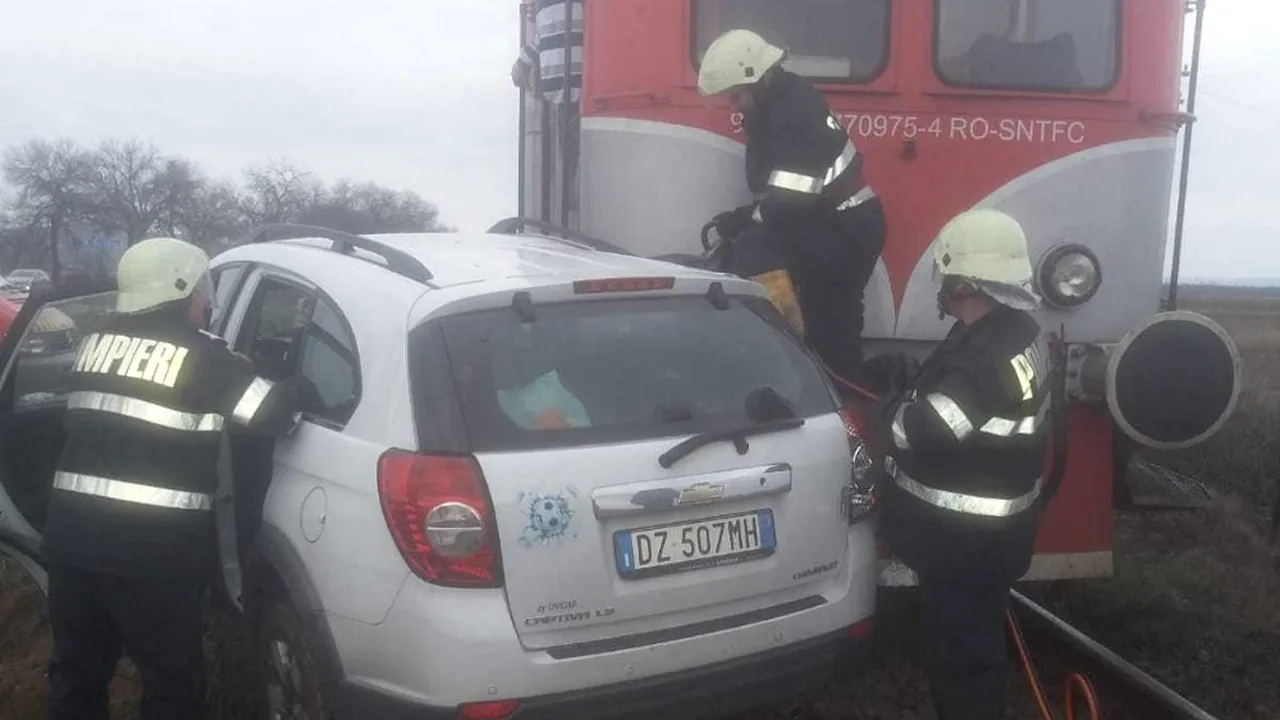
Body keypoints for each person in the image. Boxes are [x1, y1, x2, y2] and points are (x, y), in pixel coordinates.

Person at [41, 236, 297, 720]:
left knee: (76, 674)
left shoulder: (94, 344)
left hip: (71, 549)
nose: (206, 301)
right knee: (171, 684)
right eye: (202, 290)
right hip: (152, 558)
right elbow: (269, 413)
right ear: (184, 291)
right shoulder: (204, 358)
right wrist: (288, 380)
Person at [861, 209, 1054, 720]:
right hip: (995, 539)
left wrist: (884, 410)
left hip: (963, 546)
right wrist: (912, 379)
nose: (942, 287)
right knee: (977, 650)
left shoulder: (984, 357)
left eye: (947, 275)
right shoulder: (1017, 330)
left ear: (968, 280)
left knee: (963, 664)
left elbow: (924, 432)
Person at [696, 28, 886, 387]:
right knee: (823, 323)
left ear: (759, 77)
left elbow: (789, 202)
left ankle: (848, 409)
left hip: (844, 231)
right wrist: (746, 218)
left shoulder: (794, 115)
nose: (732, 107)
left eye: (736, 96)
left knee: (833, 333)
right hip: (829, 225)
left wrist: (743, 220)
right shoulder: (778, 103)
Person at [512, 0, 583, 222]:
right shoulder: (544, 7)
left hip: (580, 98)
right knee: (566, 156)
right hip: (557, 100)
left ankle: (575, 209)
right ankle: (570, 208)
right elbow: (543, 38)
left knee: (575, 158)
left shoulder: (582, 5)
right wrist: (523, 62)